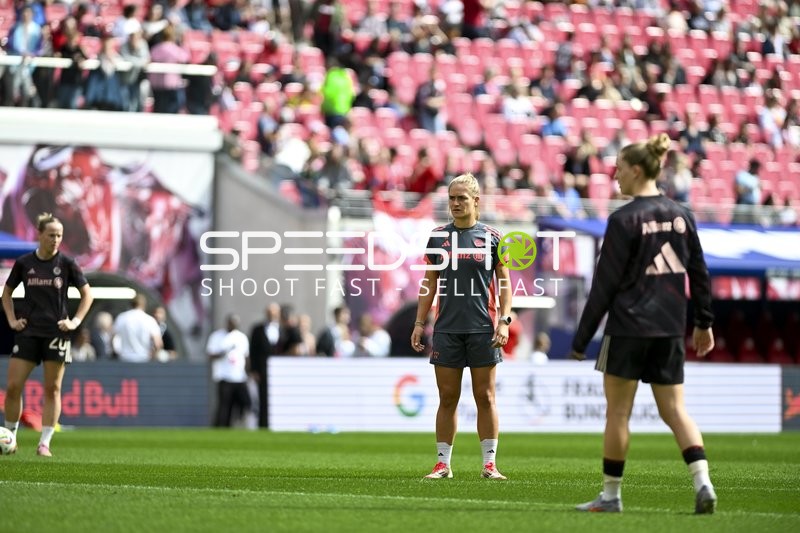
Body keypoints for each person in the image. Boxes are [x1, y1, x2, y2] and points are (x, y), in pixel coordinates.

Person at [569, 134, 717, 514]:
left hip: (628, 329)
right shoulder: (683, 214)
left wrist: (580, 340)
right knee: (676, 412)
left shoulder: (623, 219)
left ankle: (611, 496)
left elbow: (603, 286)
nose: (614, 175)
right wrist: (703, 323)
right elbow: (699, 274)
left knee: (618, 414)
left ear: (636, 170)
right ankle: (703, 482)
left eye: (619, 168)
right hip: (669, 327)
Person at [411, 173, 513, 481]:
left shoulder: (494, 237)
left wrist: (504, 320)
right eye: (452, 198)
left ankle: (490, 464)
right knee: (448, 397)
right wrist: (419, 322)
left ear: (476, 201)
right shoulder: (438, 237)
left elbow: (505, 283)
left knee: (486, 396)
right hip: (446, 329)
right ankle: (443, 464)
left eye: (461, 198)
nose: (455, 203)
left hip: (483, 328)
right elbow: (429, 283)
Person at [2, 212, 94, 456]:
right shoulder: (24, 263)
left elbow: (88, 295)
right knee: (13, 386)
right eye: (51, 234)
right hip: (28, 332)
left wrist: (74, 321)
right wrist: (12, 320)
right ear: (40, 234)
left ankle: (44, 443)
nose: (56, 239)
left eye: (59, 235)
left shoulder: (67, 264)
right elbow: (6, 294)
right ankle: (10, 437)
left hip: (56, 332)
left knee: (52, 388)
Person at [206, 314, 250, 427]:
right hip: (224, 376)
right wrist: (222, 353)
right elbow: (210, 355)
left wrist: (248, 372)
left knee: (245, 402)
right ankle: (220, 427)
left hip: (239, 376)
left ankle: (238, 421)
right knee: (225, 406)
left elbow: (246, 356)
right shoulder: (217, 336)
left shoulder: (241, 337)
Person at [112, 293, 163, 363]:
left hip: (124, 360)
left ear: (131, 304)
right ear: (144, 305)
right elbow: (158, 343)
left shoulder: (121, 318)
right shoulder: (149, 320)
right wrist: (152, 356)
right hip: (144, 360)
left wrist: (117, 353)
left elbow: (112, 338)